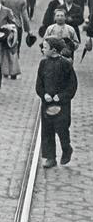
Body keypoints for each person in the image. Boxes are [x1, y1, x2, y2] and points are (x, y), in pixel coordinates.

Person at [36, 37, 77, 169]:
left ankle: (66, 148)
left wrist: (62, 96)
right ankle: (50, 157)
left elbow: (72, 86)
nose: (42, 49)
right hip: (47, 103)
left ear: (53, 50)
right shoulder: (43, 64)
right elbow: (39, 84)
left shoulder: (66, 64)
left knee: (61, 128)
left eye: (45, 47)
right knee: (47, 130)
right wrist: (44, 94)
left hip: (62, 104)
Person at [2, 0, 31, 70]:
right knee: (16, 47)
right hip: (16, 26)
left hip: (5, 25)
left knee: (5, 47)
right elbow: (25, 16)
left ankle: (5, 69)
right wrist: (28, 30)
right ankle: (14, 69)